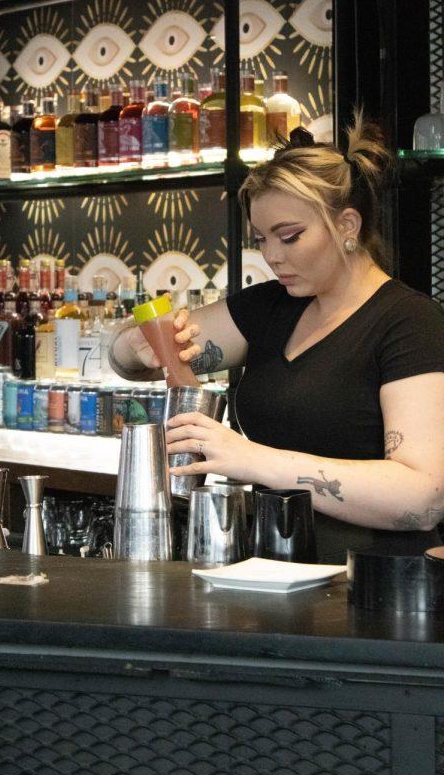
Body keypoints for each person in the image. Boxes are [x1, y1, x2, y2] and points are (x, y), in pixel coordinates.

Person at [108, 114, 444, 563]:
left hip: (371, 590)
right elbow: (129, 361)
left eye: (289, 237)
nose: (271, 257)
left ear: (347, 225)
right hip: (271, 571)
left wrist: (250, 458)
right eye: (262, 239)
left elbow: (423, 499)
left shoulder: (410, 322)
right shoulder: (271, 306)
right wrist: (136, 345)